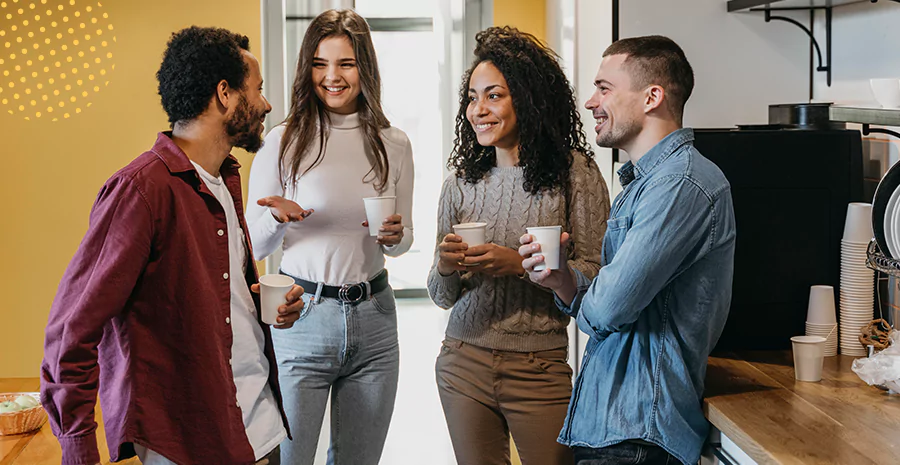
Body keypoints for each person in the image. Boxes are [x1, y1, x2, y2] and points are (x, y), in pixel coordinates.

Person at [40, 26, 306, 465]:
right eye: (257, 90)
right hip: (189, 440)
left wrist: (262, 309)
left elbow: (208, 301)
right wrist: (78, 449)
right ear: (225, 94)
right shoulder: (142, 190)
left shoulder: (225, 179)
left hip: (259, 426)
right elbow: (71, 330)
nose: (266, 104)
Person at [519, 35, 736, 465]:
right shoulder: (647, 183)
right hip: (615, 428)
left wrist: (591, 295)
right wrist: (562, 280)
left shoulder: (680, 185)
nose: (589, 101)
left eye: (605, 88)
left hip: (639, 434)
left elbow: (609, 308)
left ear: (652, 96)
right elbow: (610, 301)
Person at [428, 26, 610, 465]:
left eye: (494, 96)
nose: (478, 110)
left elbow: (600, 277)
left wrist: (519, 264)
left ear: (527, 99)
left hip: (539, 368)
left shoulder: (575, 174)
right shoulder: (460, 185)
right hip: (462, 360)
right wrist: (446, 267)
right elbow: (439, 294)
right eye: (472, 97)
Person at [246, 9, 414, 465]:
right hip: (301, 320)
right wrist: (278, 219)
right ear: (308, 68)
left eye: (346, 63)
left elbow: (403, 242)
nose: (332, 77)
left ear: (365, 67)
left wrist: (395, 236)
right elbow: (253, 248)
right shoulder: (281, 142)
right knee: (289, 460)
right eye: (320, 64)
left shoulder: (393, 141)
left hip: (376, 319)